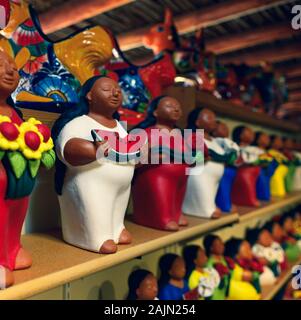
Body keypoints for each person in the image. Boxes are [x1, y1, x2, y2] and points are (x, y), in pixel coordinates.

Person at [53, 76, 134, 254]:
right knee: (96, 208)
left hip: (121, 187)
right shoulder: (79, 123)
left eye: (118, 90)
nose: (115, 93)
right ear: (89, 95)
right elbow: (67, 148)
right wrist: (91, 149)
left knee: (116, 210)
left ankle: (116, 229)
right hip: (90, 184)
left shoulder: (120, 126)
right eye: (107, 89)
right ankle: (94, 237)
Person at [132, 96, 205, 231]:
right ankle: (162, 218)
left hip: (181, 178)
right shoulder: (147, 133)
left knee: (177, 200)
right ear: (155, 112)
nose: (176, 109)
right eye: (169, 106)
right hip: (156, 177)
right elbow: (135, 160)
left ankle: (176, 214)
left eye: (178, 107)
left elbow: (197, 158)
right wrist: (152, 157)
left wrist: (195, 158)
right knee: (161, 199)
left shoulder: (184, 135)